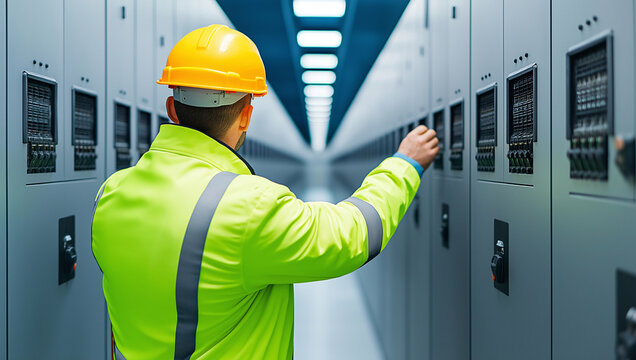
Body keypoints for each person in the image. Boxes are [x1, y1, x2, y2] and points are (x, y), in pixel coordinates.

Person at [92, 24, 439, 360]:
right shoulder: (246, 206)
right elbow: (353, 234)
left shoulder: (112, 193)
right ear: (245, 117)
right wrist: (405, 163)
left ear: (172, 110)